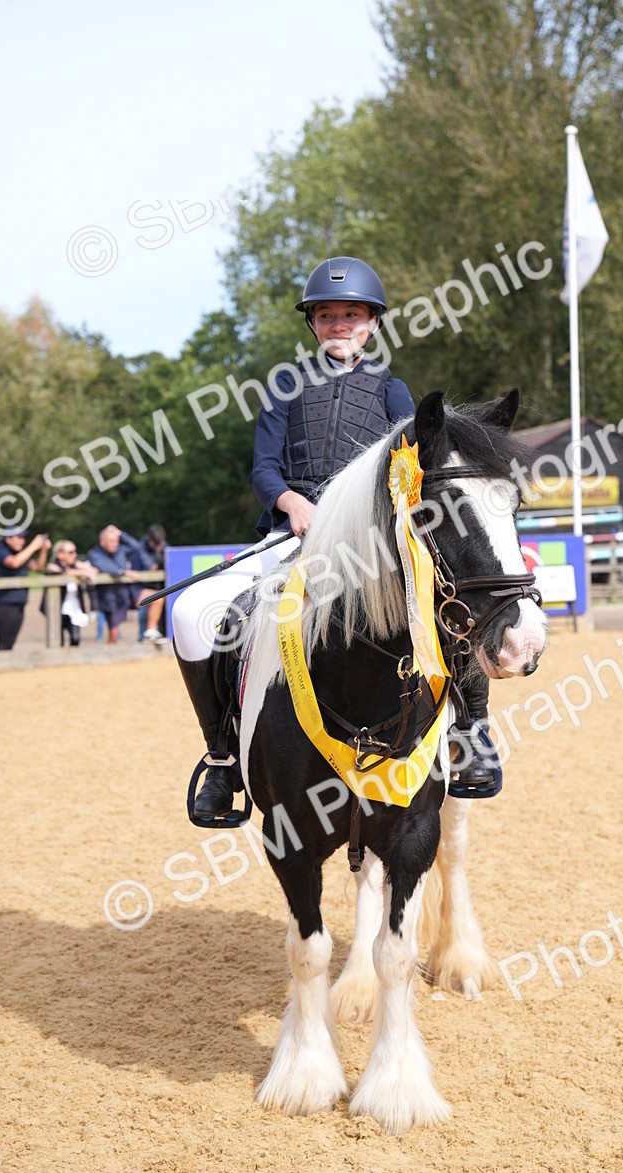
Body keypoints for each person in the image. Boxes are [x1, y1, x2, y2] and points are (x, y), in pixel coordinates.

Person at [172, 255, 504, 819]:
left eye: (351, 315)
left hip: (367, 539)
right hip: (291, 530)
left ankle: (472, 731)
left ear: (372, 323)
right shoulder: (284, 387)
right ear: (313, 324)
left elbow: (410, 464)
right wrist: (292, 502)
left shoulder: (393, 392)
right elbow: (263, 469)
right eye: (327, 316)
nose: (339, 326)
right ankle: (223, 761)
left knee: (446, 600)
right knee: (193, 614)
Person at [0, 527, 50, 651]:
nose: (22, 541)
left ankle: (6, 666)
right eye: (19, 537)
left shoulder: (22, 552)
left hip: (19, 602)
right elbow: (13, 563)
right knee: (4, 643)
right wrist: (33, 546)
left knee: (10, 642)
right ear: (8, 538)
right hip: (5, 604)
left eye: (23, 538)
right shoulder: (0, 551)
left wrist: (43, 551)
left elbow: (37, 567)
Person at [40, 540, 98, 646]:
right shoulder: (52, 565)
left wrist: (78, 572)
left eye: (75, 551)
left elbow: (94, 571)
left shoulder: (75, 564)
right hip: (57, 609)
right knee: (57, 642)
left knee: (75, 639)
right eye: (70, 552)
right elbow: (62, 573)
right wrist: (80, 573)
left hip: (74, 610)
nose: (74, 554)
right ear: (60, 554)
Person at [88, 525, 139, 644]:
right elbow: (109, 568)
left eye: (116, 541)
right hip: (108, 599)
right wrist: (126, 572)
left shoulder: (120, 549)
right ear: (102, 542)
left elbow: (137, 547)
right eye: (111, 541)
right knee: (113, 632)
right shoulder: (96, 554)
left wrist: (121, 533)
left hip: (125, 595)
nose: (115, 544)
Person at [119, 524, 168, 642]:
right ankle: (142, 641)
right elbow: (140, 572)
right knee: (144, 619)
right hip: (143, 590)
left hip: (161, 590)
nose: (158, 547)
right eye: (156, 544)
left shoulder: (164, 546)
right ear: (149, 540)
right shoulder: (138, 550)